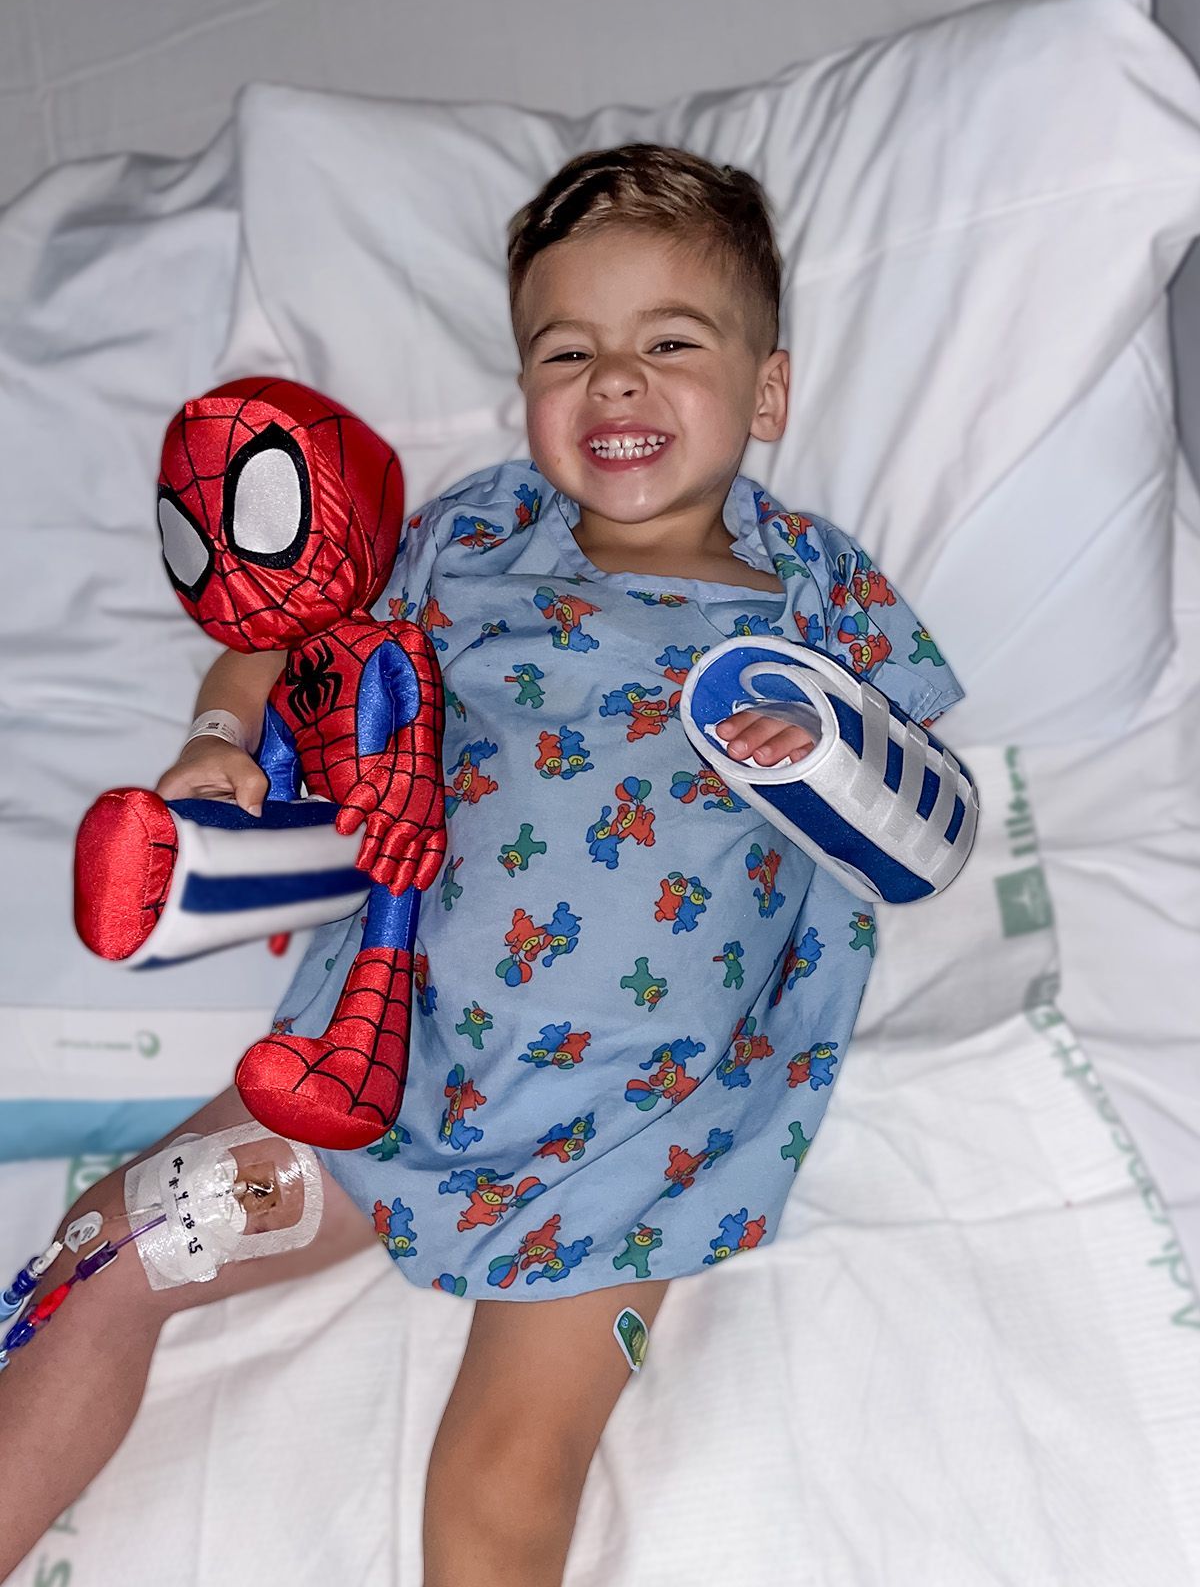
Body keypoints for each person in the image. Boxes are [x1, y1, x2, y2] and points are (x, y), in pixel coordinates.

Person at [0, 144, 963, 1587]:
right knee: (99, 1251)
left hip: (634, 1136)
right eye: (566, 349)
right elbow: (278, 622)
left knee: (504, 1474)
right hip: (382, 1062)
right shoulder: (474, 538)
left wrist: (819, 743)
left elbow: (918, 806)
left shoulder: (819, 593)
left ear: (767, 392)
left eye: (669, 343)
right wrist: (219, 742)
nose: (616, 381)